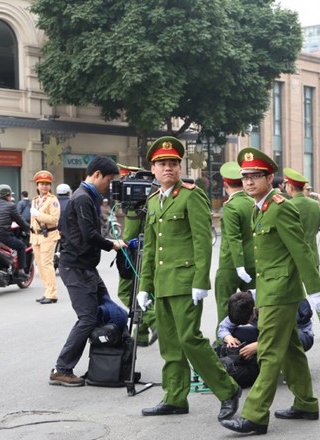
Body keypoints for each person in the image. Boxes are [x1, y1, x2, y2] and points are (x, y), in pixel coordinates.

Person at [220, 148, 320, 435]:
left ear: (270, 178)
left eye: (256, 176)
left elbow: (301, 251)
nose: (249, 182)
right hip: (269, 289)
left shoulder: (280, 207)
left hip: (282, 292)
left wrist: (315, 291)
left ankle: (255, 415)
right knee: (291, 349)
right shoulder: (259, 208)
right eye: (245, 177)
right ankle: (306, 403)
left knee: (267, 351)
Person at [136, 136, 241, 419]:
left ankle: (228, 389)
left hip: (184, 282)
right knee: (170, 344)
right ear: (153, 169)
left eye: (172, 163)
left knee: (189, 339)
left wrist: (200, 281)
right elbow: (150, 249)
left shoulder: (191, 195)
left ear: (180, 167)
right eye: (162, 164)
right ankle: (175, 397)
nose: (168, 168)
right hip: (162, 283)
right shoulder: (154, 200)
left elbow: (202, 241)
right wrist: (145, 286)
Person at [49, 156, 126, 387]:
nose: (110, 185)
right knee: (88, 318)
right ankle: (61, 369)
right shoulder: (82, 198)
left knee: (109, 311)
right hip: (76, 268)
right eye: (109, 180)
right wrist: (112, 244)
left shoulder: (90, 197)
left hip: (87, 267)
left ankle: (109, 361)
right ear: (97, 174)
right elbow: (88, 235)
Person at [217, 292, 314, 388]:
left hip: (298, 333)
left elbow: (283, 334)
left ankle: (293, 367)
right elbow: (223, 327)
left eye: (248, 321)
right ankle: (259, 362)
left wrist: (259, 345)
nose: (248, 323)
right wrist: (229, 338)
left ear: (254, 311)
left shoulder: (270, 303)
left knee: (289, 339)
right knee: (235, 333)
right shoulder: (242, 304)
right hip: (268, 333)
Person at [284, 167, 320, 342]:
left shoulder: (288, 205)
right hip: (312, 252)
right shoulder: (314, 205)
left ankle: (298, 326)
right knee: (316, 291)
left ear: (290, 187)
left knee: (293, 293)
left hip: (293, 255)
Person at [115, 165, 158, 347]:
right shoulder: (155, 198)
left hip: (136, 254)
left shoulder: (136, 205)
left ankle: (155, 321)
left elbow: (130, 235)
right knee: (144, 291)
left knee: (126, 292)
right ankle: (139, 333)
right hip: (152, 252)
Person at [214, 161, 256, 337]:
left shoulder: (231, 206)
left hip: (231, 264)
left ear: (225, 185)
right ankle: (258, 340)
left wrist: (238, 265)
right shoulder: (253, 203)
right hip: (254, 262)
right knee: (255, 306)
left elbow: (233, 238)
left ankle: (223, 343)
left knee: (225, 307)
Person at [0, 184, 31, 280]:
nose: (10, 197)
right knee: (21, 246)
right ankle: (21, 271)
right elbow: (20, 221)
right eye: (10, 195)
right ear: (7, 195)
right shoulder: (11, 206)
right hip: (3, 237)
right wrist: (29, 229)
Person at [30, 171, 61, 305]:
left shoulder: (52, 200)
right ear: (37, 186)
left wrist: (38, 214)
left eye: (47, 184)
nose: (44, 187)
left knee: (47, 264)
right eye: (42, 184)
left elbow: (54, 220)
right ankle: (47, 291)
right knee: (41, 265)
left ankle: (52, 294)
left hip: (48, 235)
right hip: (36, 236)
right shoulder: (35, 200)